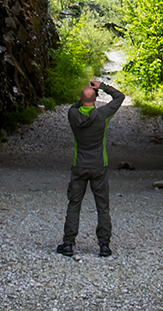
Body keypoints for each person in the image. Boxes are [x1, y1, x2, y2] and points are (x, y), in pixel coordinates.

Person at [56, 75, 124, 258]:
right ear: (95, 100)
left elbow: (76, 105)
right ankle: (104, 245)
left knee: (74, 204)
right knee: (102, 205)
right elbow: (120, 97)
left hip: (79, 165)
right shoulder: (102, 116)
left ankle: (68, 244)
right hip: (99, 166)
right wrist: (101, 86)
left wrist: (86, 96)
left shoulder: (73, 115)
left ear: (80, 100)